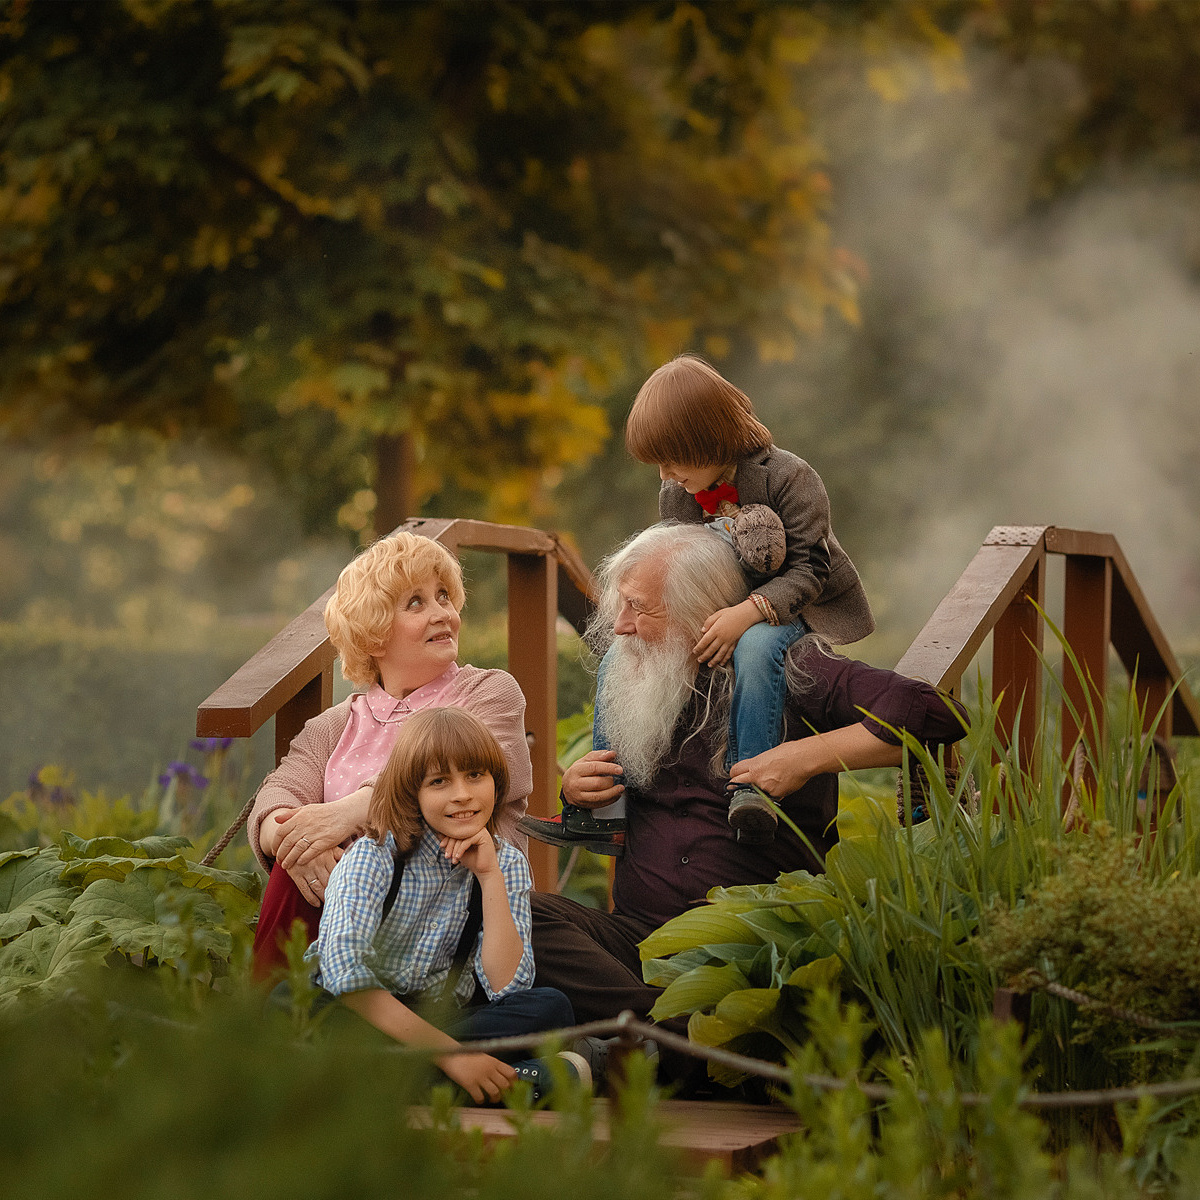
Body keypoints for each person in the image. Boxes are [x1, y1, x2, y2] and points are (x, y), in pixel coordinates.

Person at [524, 523, 967, 1030]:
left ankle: (649, 1038)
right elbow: (607, 806)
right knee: (517, 915)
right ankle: (672, 1035)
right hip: (639, 939)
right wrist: (577, 791)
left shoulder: (785, 666)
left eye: (639, 608)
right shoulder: (633, 678)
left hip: (750, 950)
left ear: (703, 611)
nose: (619, 627)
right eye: (619, 604)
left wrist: (807, 756)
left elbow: (936, 715)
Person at [542, 354, 874, 849]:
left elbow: (811, 570)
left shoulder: (789, 478)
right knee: (621, 652)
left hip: (796, 605)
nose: (665, 475)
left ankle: (752, 784)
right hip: (722, 602)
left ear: (710, 438)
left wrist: (747, 614)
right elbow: (684, 569)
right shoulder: (677, 494)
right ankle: (606, 802)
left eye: (673, 459)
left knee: (757, 648)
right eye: (658, 463)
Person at [248, 531, 533, 976]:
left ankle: (269, 1026)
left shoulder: (486, 693)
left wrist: (347, 813)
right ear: (374, 634)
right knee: (294, 864)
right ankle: (274, 1028)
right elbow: (280, 789)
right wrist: (293, 837)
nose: (443, 613)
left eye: (444, 596)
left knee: (321, 867)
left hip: (453, 895)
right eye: (416, 603)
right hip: (351, 903)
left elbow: (491, 773)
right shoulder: (335, 724)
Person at [310, 706, 588, 1103]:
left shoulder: (504, 862)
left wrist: (489, 877)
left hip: (438, 1019)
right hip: (359, 1016)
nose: (462, 795)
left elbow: (506, 985)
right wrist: (452, 1055)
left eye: (475, 775)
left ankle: (404, 1082)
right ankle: (516, 1082)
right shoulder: (373, 856)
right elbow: (346, 977)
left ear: (496, 781)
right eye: (439, 781)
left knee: (548, 1009)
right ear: (412, 793)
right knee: (308, 1023)